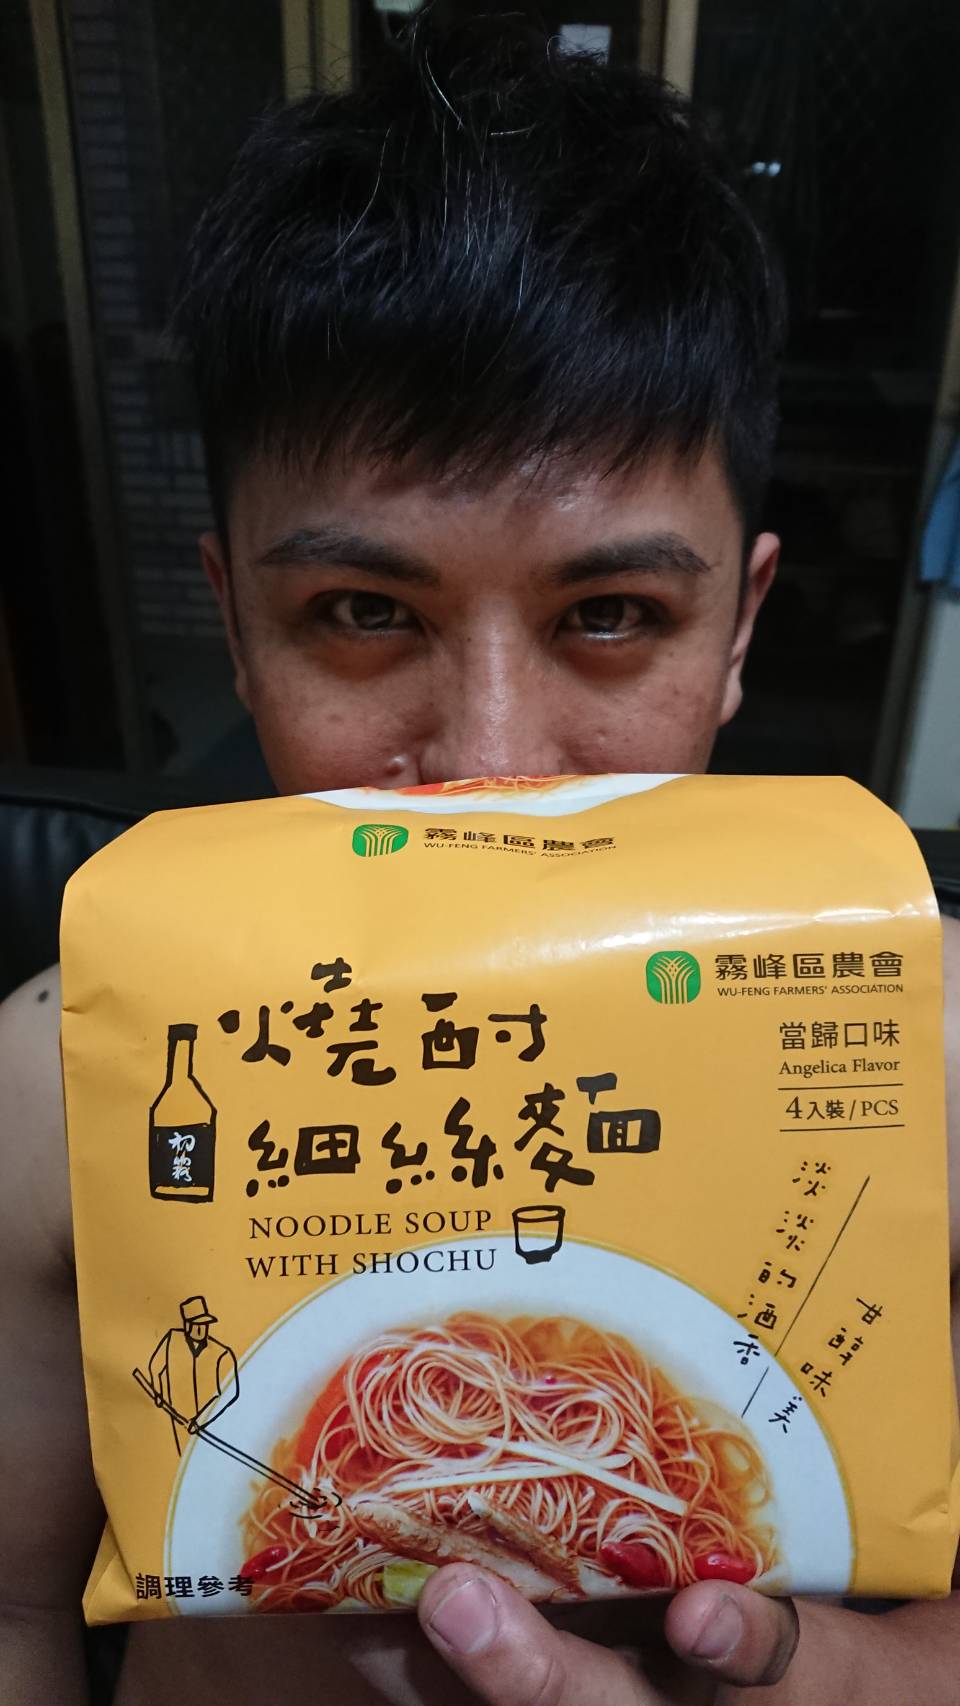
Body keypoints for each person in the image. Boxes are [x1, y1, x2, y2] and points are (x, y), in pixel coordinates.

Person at [1, 19, 958, 1706]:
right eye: (364, 611)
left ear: (740, 626)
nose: (493, 767)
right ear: (236, 627)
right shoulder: (51, 1086)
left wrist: (820, 1680)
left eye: (614, 614)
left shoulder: (927, 1060)